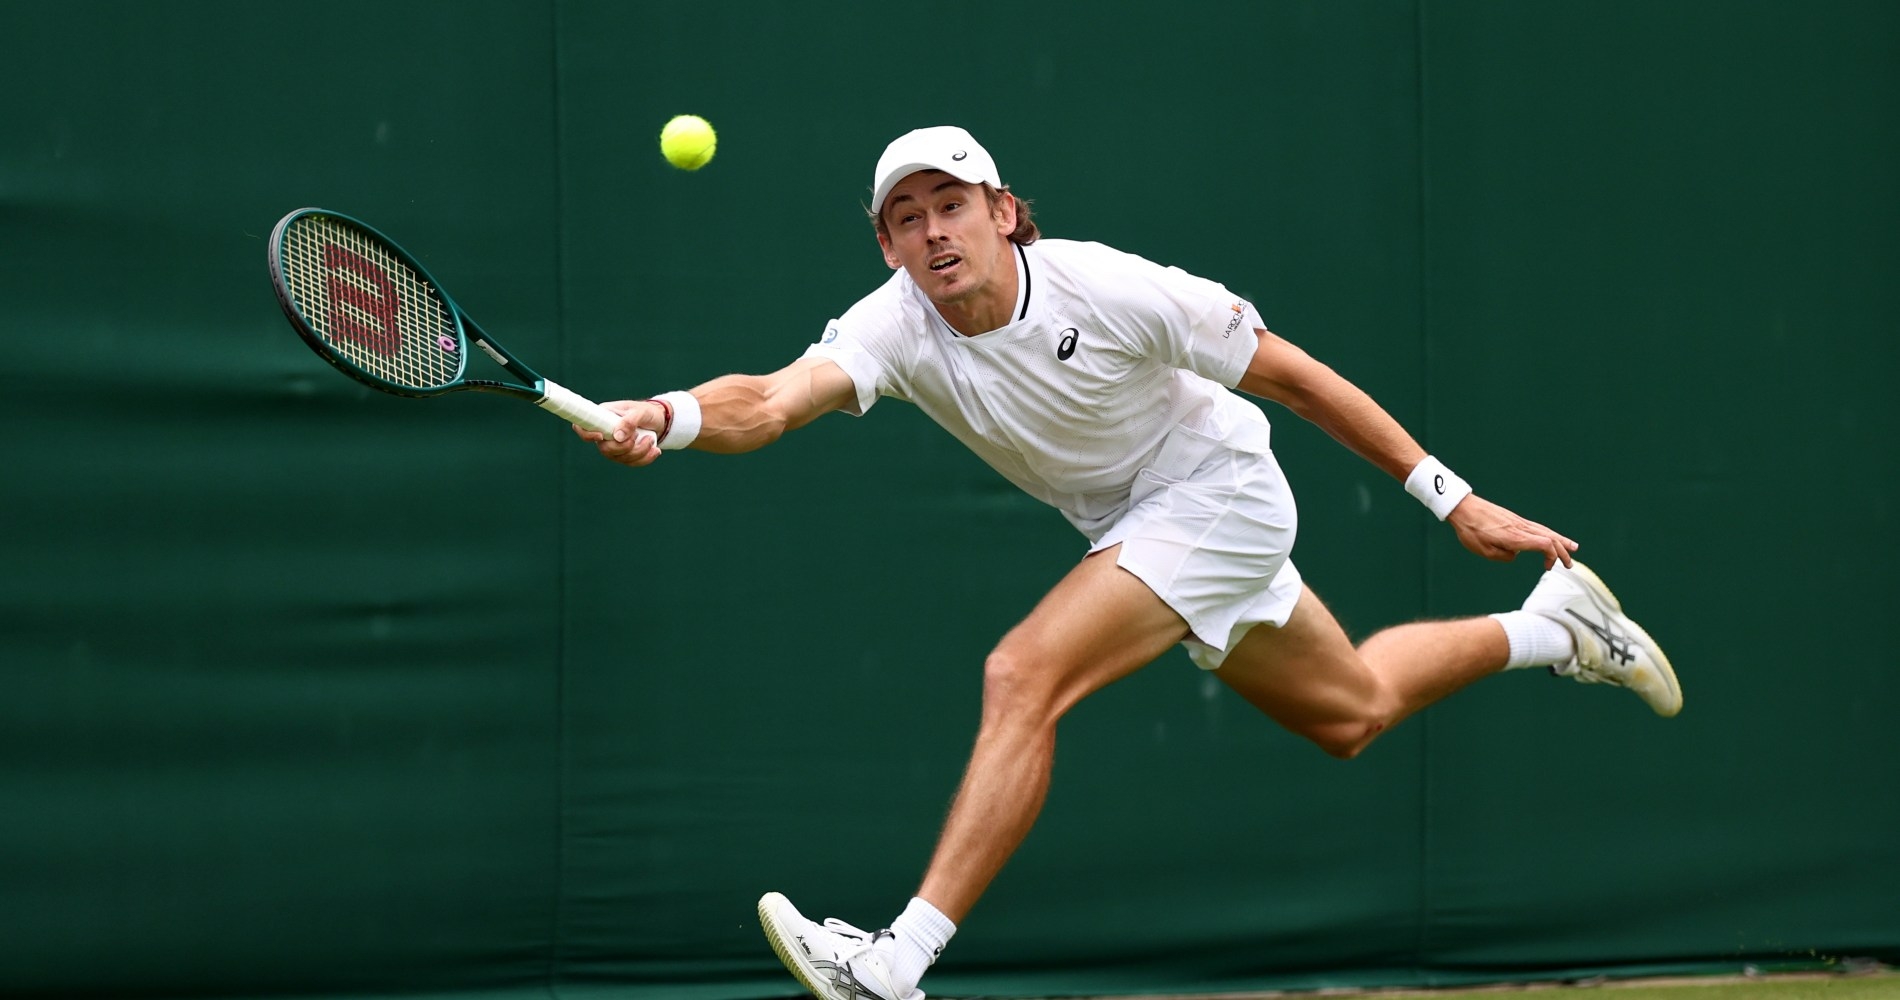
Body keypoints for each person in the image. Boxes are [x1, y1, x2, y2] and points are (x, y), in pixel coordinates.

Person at [577, 125, 1681, 1000]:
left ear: (1004, 214)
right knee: (1352, 710)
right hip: (1138, 528)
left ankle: (892, 964)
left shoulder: (1110, 288)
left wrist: (1452, 499)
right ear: (887, 247)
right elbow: (771, 400)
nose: (932, 234)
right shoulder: (894, 324)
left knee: (1023, 676)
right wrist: (666, 415)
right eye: (904, 221)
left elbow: (1290, 375)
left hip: (1219, 496)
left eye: (951, 206)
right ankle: (1561, 626)